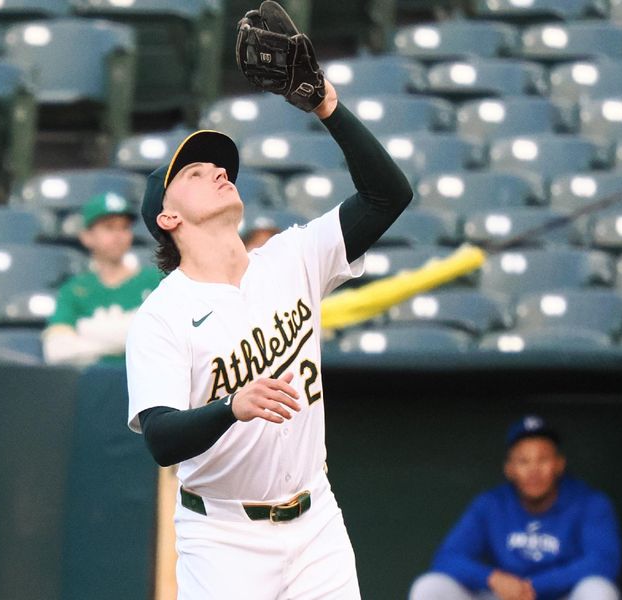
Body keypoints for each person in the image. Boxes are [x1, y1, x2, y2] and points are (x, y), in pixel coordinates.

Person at [125, 42, 412, 600]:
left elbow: (387, 196)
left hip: (315, 520)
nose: (217, 174)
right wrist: (232, 406)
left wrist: (325, 104)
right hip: (223, 535)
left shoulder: (291, 258)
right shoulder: (164, 312)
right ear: (168, 216)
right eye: (195, 172)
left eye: (221, 168)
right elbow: (161, 437)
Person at [409, 415, 622, 600]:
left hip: (559, 595)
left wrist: (534, 586)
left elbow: (603, 562)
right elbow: (447, 558)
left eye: (543, 459)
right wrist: (492, 579)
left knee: (599, 590)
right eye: (523, 461)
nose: (533, 470)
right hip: (504, 596)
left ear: (559, 464)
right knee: (431, 586)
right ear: (509, 469)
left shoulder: (589, 502)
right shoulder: (492, 503)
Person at [43, 191, 161, 366]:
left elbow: (163, 339)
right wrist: (130, 334)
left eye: (124, 228)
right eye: (109, 227)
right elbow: (56, 351)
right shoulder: (74, 290)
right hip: (95, 385)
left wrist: (88, 331)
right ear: (87, 236)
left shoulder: (156, 280)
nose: (118, 235)